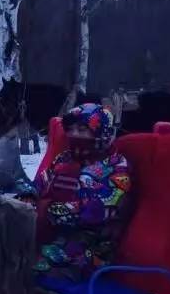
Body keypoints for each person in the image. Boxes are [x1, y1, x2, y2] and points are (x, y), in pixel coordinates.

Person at [33, 103, 133, 282]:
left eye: (82, 129)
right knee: (2, 251)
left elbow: (96, 211)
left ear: (101, 133)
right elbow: (39, 184)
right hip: (52, 236)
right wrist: (24, 198)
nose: (74, 135)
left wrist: (46, 210)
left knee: (24, 268)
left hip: (90, 249)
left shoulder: (116, 166)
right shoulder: (64, 159)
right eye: (70, 129)